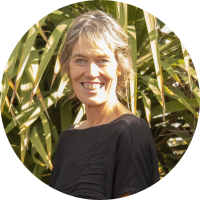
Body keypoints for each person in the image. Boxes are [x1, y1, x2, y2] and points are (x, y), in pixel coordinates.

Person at [49, 10, 159, 199]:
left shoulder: (130, 132)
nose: (91, 72)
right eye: (80, 60)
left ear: (119, 67)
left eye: (102, 60)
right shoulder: (67, 139)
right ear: (68, 67)